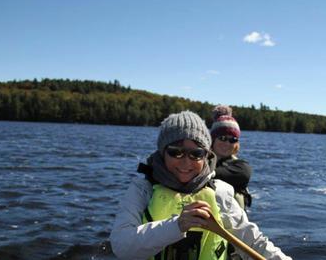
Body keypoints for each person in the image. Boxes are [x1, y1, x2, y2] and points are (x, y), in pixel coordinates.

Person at [110, 110, 290, 260]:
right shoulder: (142, 189)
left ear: (206, 156)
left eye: (196, 154)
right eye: (176, 152)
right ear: (162, 152)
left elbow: (254, 242)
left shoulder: (219, 192)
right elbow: (122, 246)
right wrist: (177, 225)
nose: (186, 163)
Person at [211, 105, 252, 210]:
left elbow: (244, 174)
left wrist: (206, 174)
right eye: (222, 138)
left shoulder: (240, 167)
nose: (227, 143)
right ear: (212, 139)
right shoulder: (200, 160)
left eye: (232, 140)